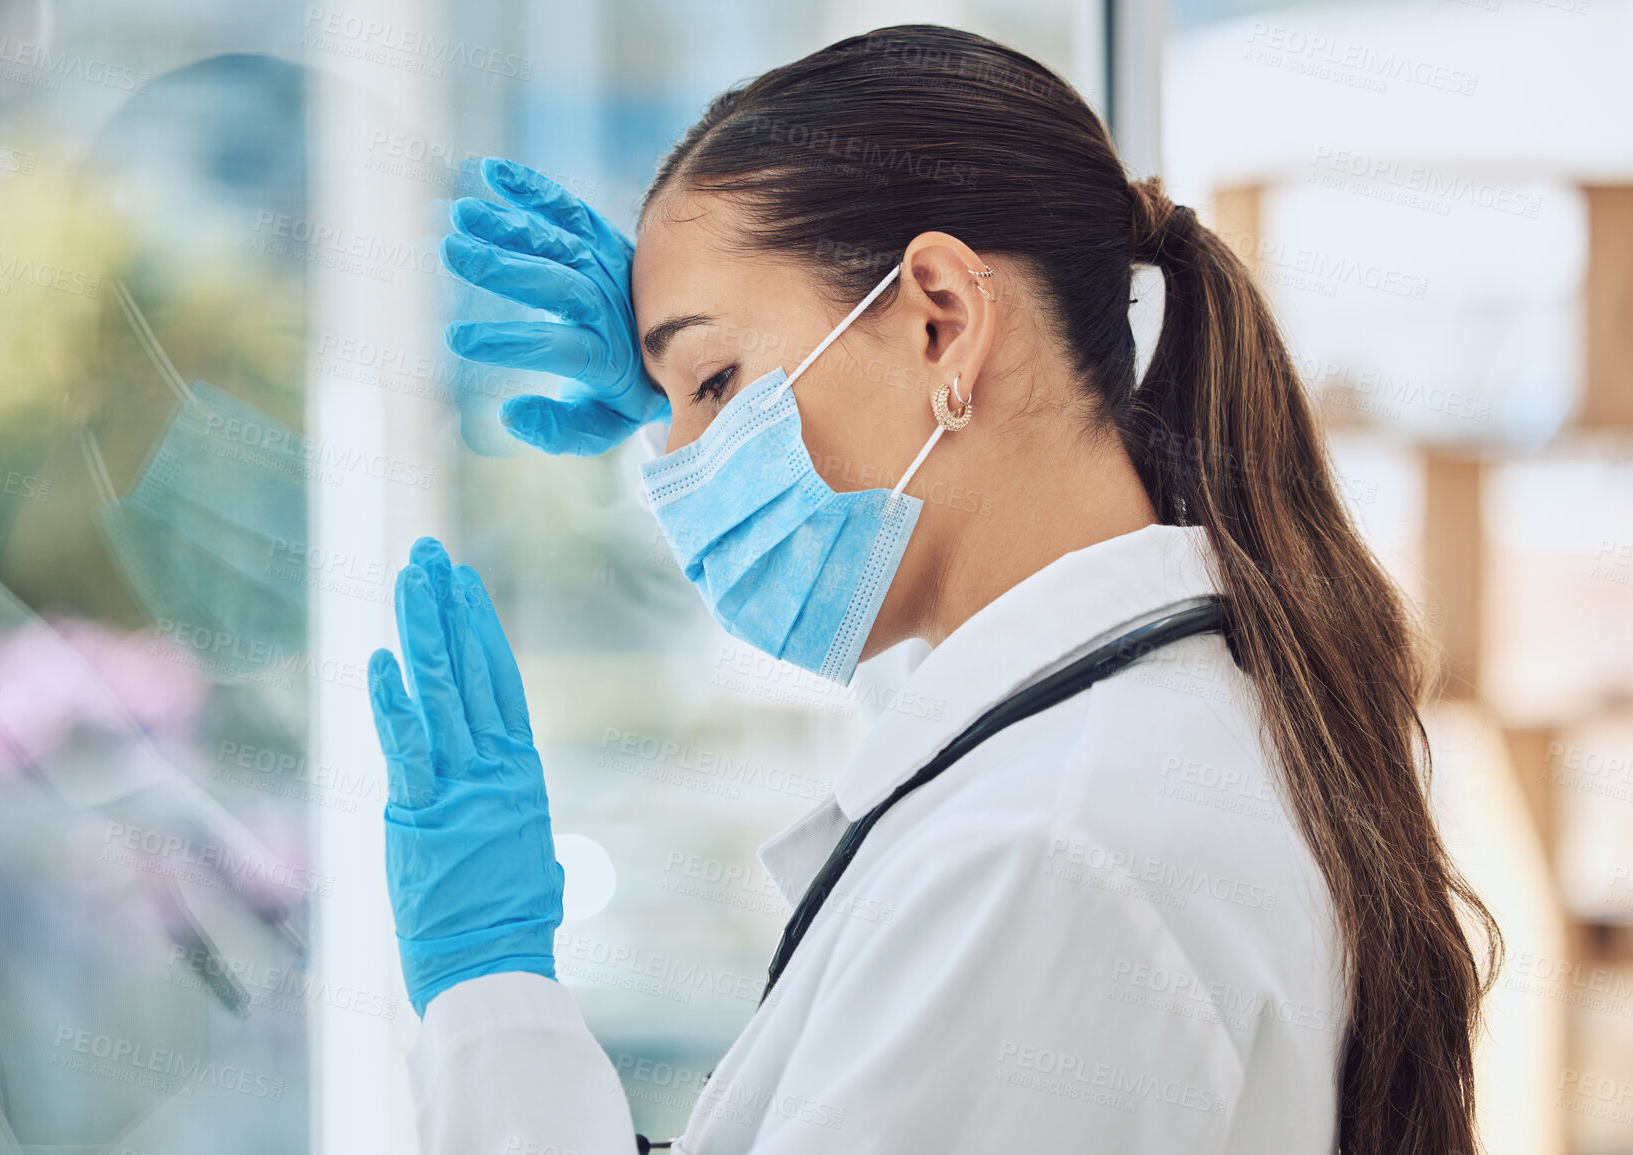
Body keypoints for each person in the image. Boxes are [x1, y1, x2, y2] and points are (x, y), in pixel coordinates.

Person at [367, 24, 1502, 1155]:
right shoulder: (1112, 742)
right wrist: (696, 372)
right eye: (669, 408)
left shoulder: (1045, 853)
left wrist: (492, 1005)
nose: (675, 472)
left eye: (714, 384)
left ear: (941, 322)